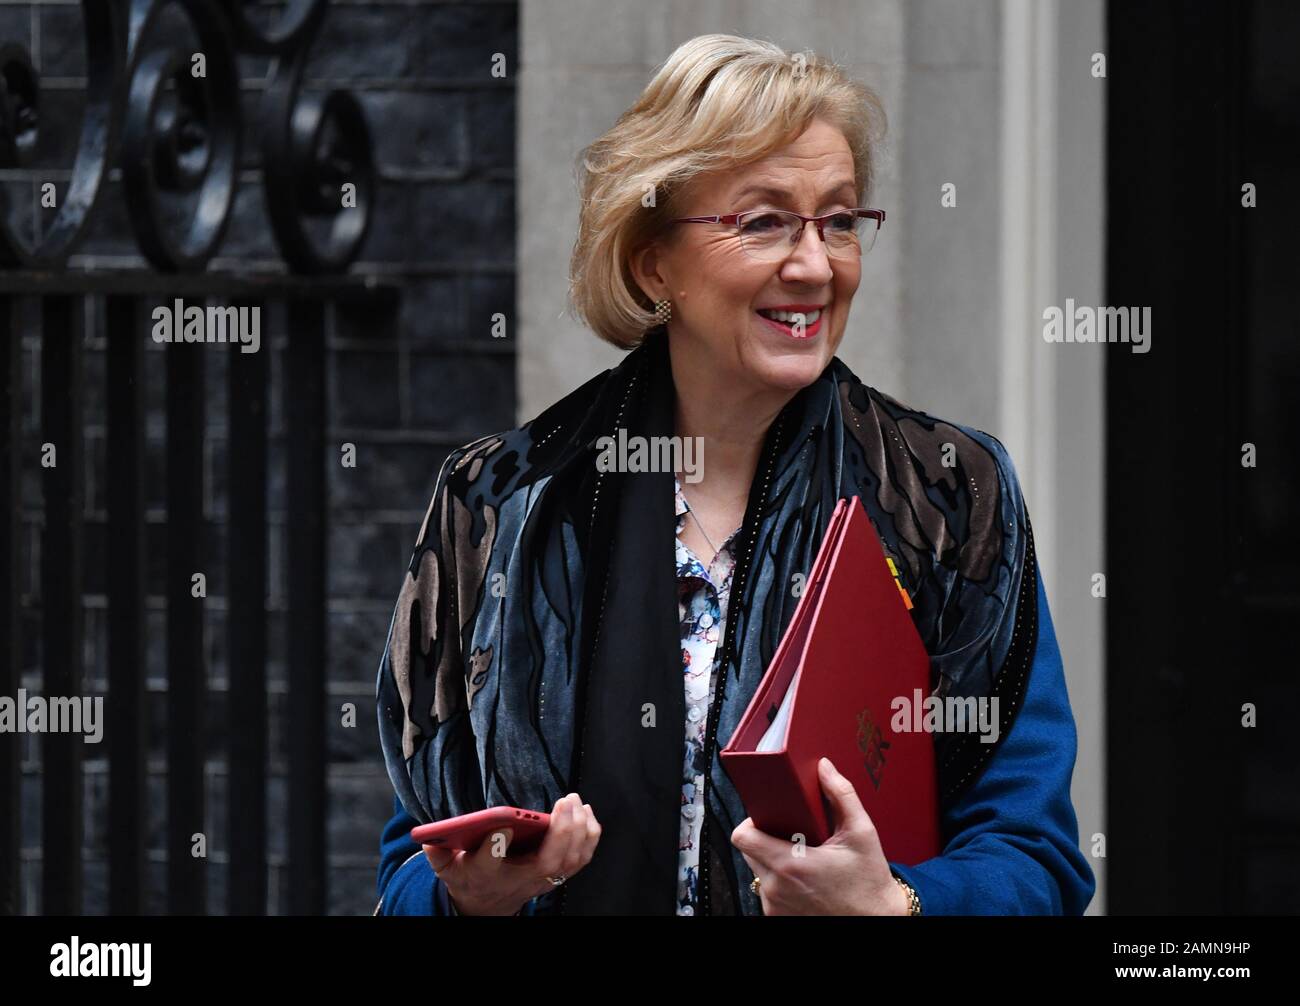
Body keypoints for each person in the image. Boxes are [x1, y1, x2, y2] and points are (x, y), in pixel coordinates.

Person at [374, 33, 1096, 916]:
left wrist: (897, 906)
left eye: (838, 219)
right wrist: (469, 901)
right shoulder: (502, 501)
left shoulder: (948, 494)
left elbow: (1035, 857)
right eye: (762, 221)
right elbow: (411, 860)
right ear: (653, 260)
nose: (814, 263)